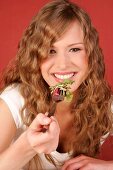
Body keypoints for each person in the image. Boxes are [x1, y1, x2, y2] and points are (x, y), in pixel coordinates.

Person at [0, 0, 113, 169]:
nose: (62, 65)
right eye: (50, 51)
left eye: (74, 49)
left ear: (91, 54)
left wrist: (107, 166)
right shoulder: (15, 100)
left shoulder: (104, 103)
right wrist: (28, 145)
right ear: (35, 57)